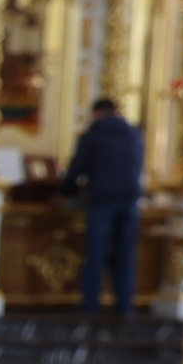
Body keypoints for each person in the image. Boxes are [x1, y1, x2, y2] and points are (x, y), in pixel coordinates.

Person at [64, 96, 145, 315]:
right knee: (125, 256)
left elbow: (78, 167)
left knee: (96, 254)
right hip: (130, 201)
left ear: (97, 112)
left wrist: (65, 191)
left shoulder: (95, 132)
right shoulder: (132, 132)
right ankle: (125, 306)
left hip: (102, 201)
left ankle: (90, 306)